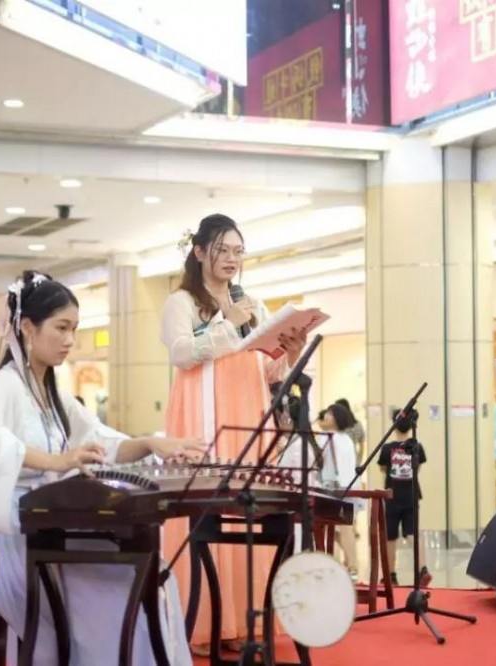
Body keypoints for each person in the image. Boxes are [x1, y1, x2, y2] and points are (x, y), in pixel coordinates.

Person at [0, 271, 205, 665]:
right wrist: (57, 460)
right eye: (61, 328)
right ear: (27, 328)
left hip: (49, 523)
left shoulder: (54, 394)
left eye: (74, 328)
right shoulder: (3, 385)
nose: (70, 340)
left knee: (152, 576)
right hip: (8, 533)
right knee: (115, 590)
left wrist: (151, 442)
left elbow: (101, 440)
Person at [159, 214, 307, 656]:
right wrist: (227, 323)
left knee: (250, 515)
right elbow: (182, 354)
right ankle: (205, 622)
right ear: (200, 251)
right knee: (206, 512)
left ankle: (246, 619)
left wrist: (289, 351)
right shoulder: (182, 301)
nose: (231, 260)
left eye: (238, 251)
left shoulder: (252, 302)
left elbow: (264, 367)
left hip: (248, 409)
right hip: (203, 412)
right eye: (223, 250)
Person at [377, 408, 431, 587]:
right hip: (411, 494)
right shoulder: (417, 446)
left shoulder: (386, 448)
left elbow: (384, 470)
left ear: (394, 425)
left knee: (390, 536)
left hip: (392, 496)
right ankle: (422, 568)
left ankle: (390, 575)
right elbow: (418, 470)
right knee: (412, 533)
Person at [316, 403, 361, 580]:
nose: (325, 416)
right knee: (344, 528)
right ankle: (352, 566)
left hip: (332, 488)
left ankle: (342, 566)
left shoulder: (326, 438)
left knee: (326, 527)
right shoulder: (346, 439)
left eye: (329, 414)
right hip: (349, 487)